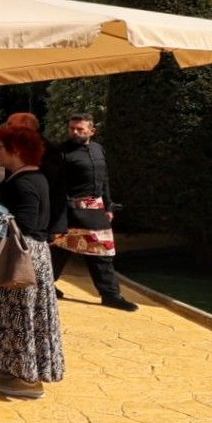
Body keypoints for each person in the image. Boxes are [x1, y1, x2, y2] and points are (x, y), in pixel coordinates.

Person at [0, 124, 64, 399]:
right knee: (26, 314)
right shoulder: (34, 177)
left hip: (21, 255)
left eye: (1, 147)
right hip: (34, 254)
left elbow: (25, 224)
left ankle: (26, 379)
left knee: (19, 315)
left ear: (16, 150)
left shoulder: (25, 182)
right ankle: (20, 371)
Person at [49, 112, 138, 311]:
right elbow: (54, 185)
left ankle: (110, 295)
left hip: (96, 211)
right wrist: (63, 211)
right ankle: (47, 286)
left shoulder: (99, 150)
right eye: (72, 128)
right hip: (70, 211)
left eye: (80, 129)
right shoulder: (60, 152)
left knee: (97, 251)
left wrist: (108, 205)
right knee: (62, 250)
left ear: (92, 130)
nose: (74, 132)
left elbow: (104, 179)